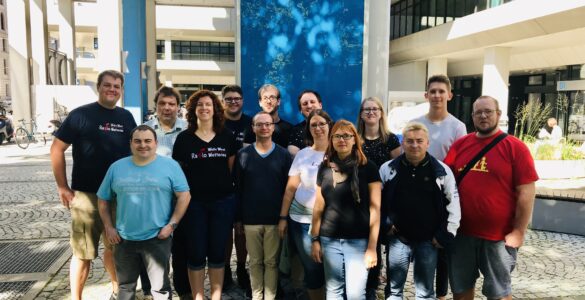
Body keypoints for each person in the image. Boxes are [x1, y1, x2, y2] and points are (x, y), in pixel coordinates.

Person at [50, 70, 137, 300]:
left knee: (115, 249)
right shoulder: (81, 115)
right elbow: (57, 149)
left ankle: (117, 289)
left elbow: (136, 152)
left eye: (117, 86)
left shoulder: (127, 117)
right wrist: (62, 187)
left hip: (119, 197)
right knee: (82, 253)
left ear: (121, 90)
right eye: (107, 85)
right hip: (87, 197)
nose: (112, 89)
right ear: (98, 87)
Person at [444, 96, 538, 300]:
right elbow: (445, 184)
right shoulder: (461, 145)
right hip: (461, 235)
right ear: (473, 116)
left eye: (488, 111)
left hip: (498, 237)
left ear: (498, 114)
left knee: (499, 293)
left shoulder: (515, 147)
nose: (483, 116)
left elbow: (526, 192)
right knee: (460, 290)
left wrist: (519, 231)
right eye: (478, 112)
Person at [97, 125, 191, 300]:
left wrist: (171, 225)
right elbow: (103, 199)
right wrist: (109, 227)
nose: (143, 145)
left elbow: (184, 196)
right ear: (131, 144)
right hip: (124, 239)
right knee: (125, 287)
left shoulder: (170, 166)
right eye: (137, 141)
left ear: (156, 143)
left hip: (157, 238)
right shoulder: (116, 167)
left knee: (160, 289)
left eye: (148, 141)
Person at [379, 122, 460, 300]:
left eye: (419, 141)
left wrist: (445, 234)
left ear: (427, 143)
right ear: (403, 143)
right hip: (398, 239)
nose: (414, 145)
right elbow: (377, 203)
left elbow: (453, 204)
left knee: (425, 293)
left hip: (428, 241)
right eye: (409, 141)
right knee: (393, 291)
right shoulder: (387, 169)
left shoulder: (442, 171)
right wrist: (385, 225)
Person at [172, 90, 239, 300]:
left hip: (222, 203)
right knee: (196, 253)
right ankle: (199, 296)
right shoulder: (184, 139)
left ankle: (216, 295)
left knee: (218, 253)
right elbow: (179, 174)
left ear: (215, 109)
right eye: (199, 105)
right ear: (193, 110)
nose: (204, 108)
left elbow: (231, 170)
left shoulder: (226, 136)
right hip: (194, 205)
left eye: (208, 104)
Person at [310, 120, 382, 300]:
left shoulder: (368, 168)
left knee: (356, 294)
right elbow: (319, 207)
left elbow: (375, 210)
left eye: (347, 136)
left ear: (354, 140)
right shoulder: (324, 168)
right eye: (337, 136)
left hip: (359, 241)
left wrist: (372, 247)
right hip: (329, 239)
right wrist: (315, 239)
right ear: (331, 140)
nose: (342, 140)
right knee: (334, 291)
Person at [412, 74, 466, 299]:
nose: (437, 95)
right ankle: (422, 291)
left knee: (443, 249)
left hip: (444, 196)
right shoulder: (416, 124)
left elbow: (461, 164)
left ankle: (441, 294)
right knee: (420, 246)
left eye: (441, 91)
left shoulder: (457, 126)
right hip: (418, 195)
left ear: (449, 95)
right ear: (426, 95)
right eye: (432, 91)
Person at [234, 111, 292, 300]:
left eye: (267, 124)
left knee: (272, 262)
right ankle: (257, 295)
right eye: (259, 124)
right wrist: (238, 218)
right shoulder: (243, 155)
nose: (264, 127)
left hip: (275, 219)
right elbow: (238, 189)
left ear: (273, 127)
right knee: (256, 262)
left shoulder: (283, 155)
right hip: (250, 219)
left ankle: (270, 296)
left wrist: (284, 218)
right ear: (253, 128)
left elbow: (288, 190)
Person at [278, 109, 333, 300]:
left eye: (321, 124)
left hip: (332, 221)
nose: (318, 128)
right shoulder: (303, 154)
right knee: (312, 267)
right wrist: (283, 218)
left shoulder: (339, 153)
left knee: (332, 268)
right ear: (309, 129)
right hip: (301, 220)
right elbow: (290, 189)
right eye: (313, 125)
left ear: (329, 126)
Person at [143, 86, 190, 299]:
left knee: (181, 247)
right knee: (151, 246)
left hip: (180, 197)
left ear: (178, 107)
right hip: (152, 198)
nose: (167, 108)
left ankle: (183, 288)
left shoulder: (189, 129)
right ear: (156, 105)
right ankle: (151, 290)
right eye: (162, 103)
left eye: (172, 104)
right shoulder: (144, 130)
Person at [356, 96, 401, 299]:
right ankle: (366, 285)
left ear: (381, 113)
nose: (371, 112)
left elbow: (399, 169)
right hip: (360, 199)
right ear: (361, 114)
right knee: (365, 243)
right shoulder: (355, 137)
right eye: (367, 109)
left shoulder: (390, 139)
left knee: (385, 243)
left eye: (375, 109)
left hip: (385, 199)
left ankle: (384, 288)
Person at [221, 84, 252, 293]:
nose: (233, 102)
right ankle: (224, 271)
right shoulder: (216, 123)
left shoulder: (250, 123)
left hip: (246, 186)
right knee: (224, 233)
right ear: (223, 101)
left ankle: (242, 268)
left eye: (237, 98)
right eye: (229, 99)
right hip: (221, 185)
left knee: (241, 232)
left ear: (242, 100)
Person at [287, 90, 324, 156]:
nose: (309, 106)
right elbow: (292, 154)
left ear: (320, 105)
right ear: (301, 110)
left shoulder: (334, 127)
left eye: (312, 102)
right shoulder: (296, 130)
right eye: (305, 104)